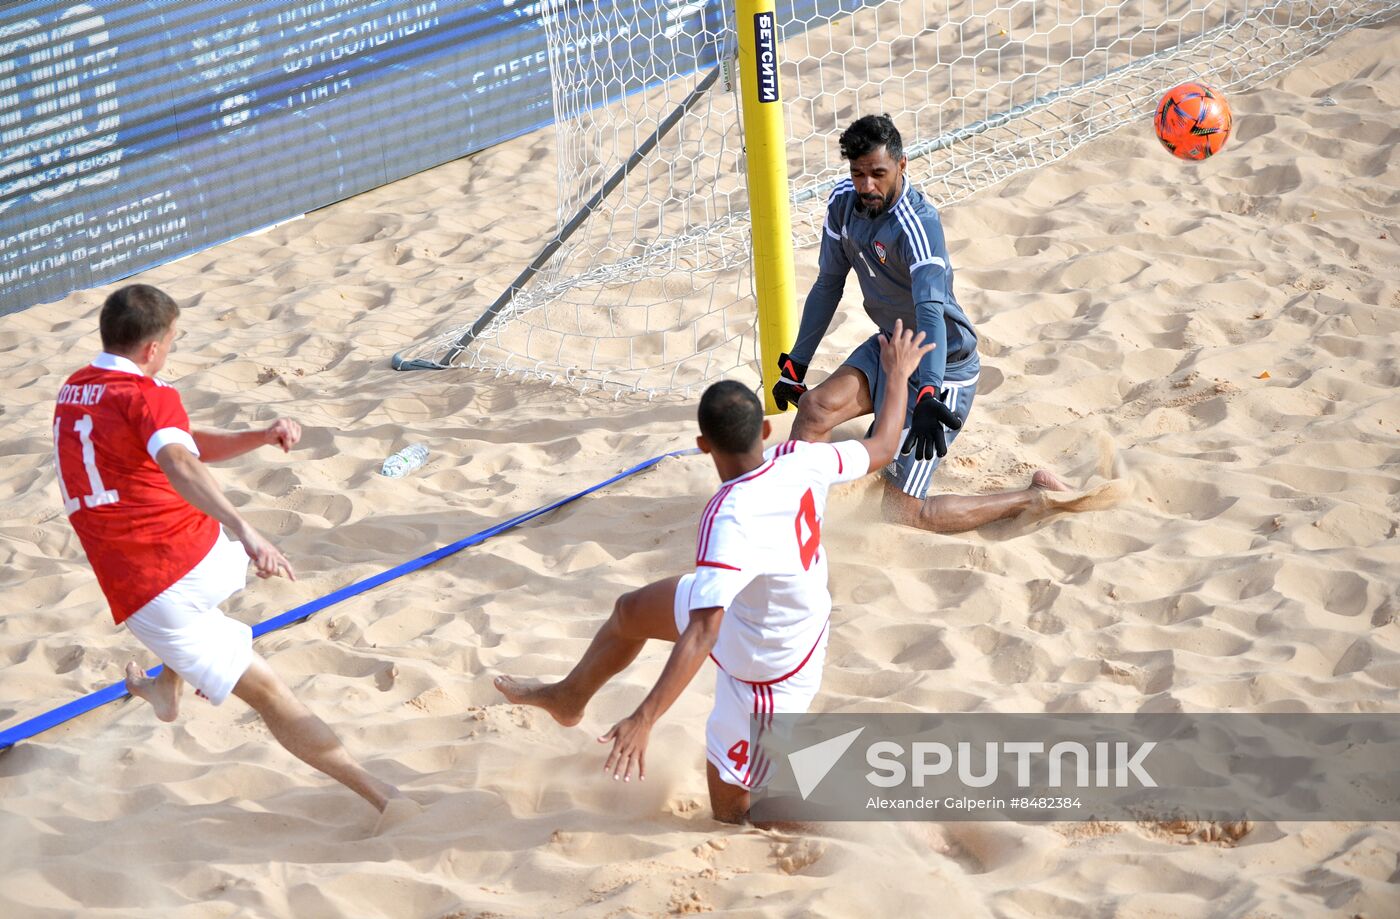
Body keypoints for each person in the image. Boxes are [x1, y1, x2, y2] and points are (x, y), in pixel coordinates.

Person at [495, 321, 935, 824]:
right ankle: (568, 698)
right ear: (766, 431)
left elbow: (704, 632)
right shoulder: (799, 458)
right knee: (630, 612)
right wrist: (897, 375)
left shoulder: (728, 515)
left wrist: (645, 718)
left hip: (770, 660)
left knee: (735, 811)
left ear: (704, 445)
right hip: (765, 606)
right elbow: (882, 446)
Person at [52, 284, 401, 816]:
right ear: (152, 350)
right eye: (172, 340)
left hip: (158, 583)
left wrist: (257, 444)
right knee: (223, 654)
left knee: (269, 694)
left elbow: (182, 449)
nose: (171, 349)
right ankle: (168, 689)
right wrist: (244, 527)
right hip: (205, 556)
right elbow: (181, 458)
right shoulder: (149, 394)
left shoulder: (74, 388)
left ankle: (384, 799)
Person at [773, 114, 1102, 533]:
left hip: (942, 363)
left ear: (902, 164)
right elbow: (827, 285)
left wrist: (928, 391)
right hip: (891, 346)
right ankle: (793, 526)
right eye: (858, 174)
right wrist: (797, 363)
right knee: (814, 407)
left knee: (903, 513)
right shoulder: (842, 202)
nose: (866, 185)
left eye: (878, 173)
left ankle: (1034, 496)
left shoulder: (918, 224)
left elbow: (929, 310)